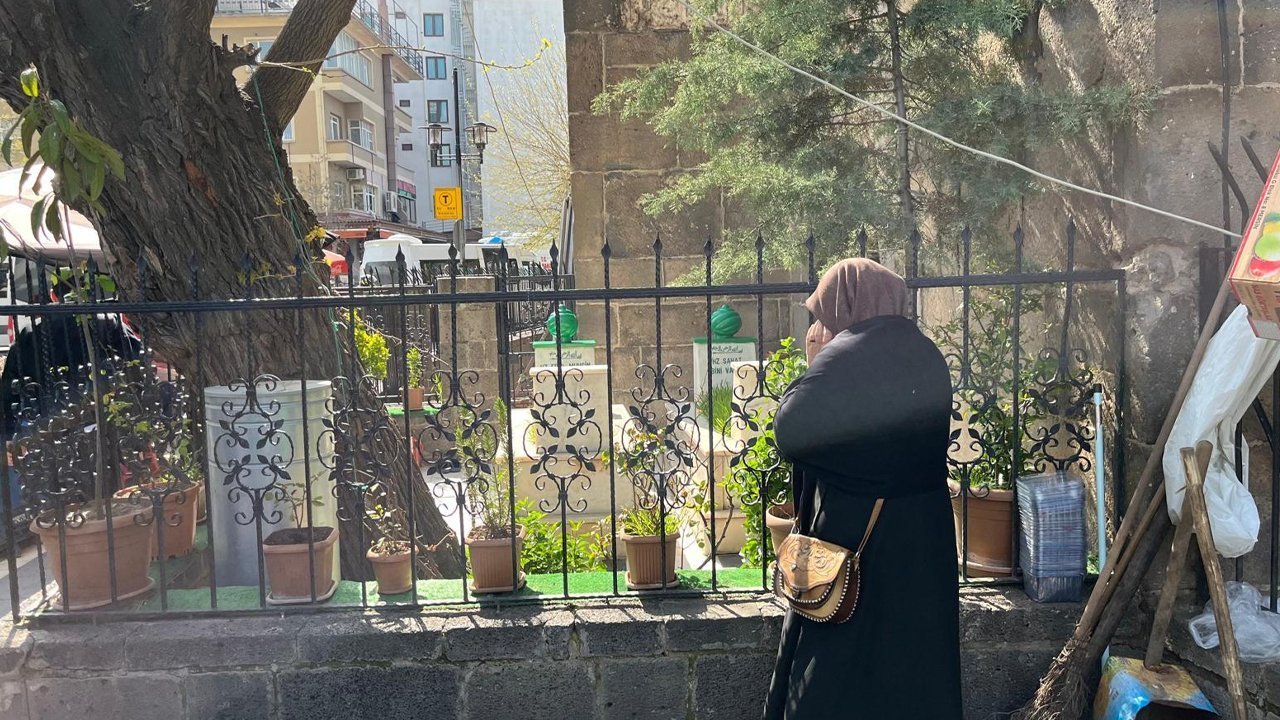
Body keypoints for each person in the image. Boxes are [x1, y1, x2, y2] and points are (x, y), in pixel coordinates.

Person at [764, 258, 962, 719]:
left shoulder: (846, 356)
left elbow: (790, 431)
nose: (817, 328)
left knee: (835, 677)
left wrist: (817, 362)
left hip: (856, 542)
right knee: (913, 672)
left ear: (845, 305)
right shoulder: (925, 354)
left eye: (822, 315)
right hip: (921, 545)